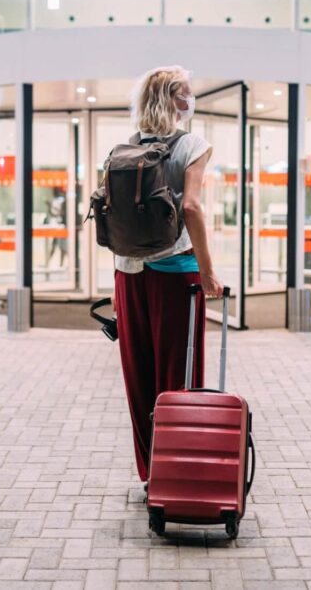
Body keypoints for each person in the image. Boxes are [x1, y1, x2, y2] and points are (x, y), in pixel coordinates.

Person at [112, 66, 222, 485]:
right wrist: (209, 273)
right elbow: (191, 208)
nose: (191, 100)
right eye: (187, 93)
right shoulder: (192, 144)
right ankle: (178, 471)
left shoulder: (128, 146)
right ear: (174, 100)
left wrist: (118, 288)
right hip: (175, 273)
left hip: (129, 273)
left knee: (138, 377)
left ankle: (149, 472)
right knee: (178, 376)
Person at [45, 187, 67, 269]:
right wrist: (49, 207)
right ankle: (47, 263)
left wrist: (51, 206)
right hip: (56, 226)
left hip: (61, 226)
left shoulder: (62, 201)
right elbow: (53, 214)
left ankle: (61, 264)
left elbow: (61, 213)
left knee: (62, 246)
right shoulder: (55, 200)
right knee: (54, 245)